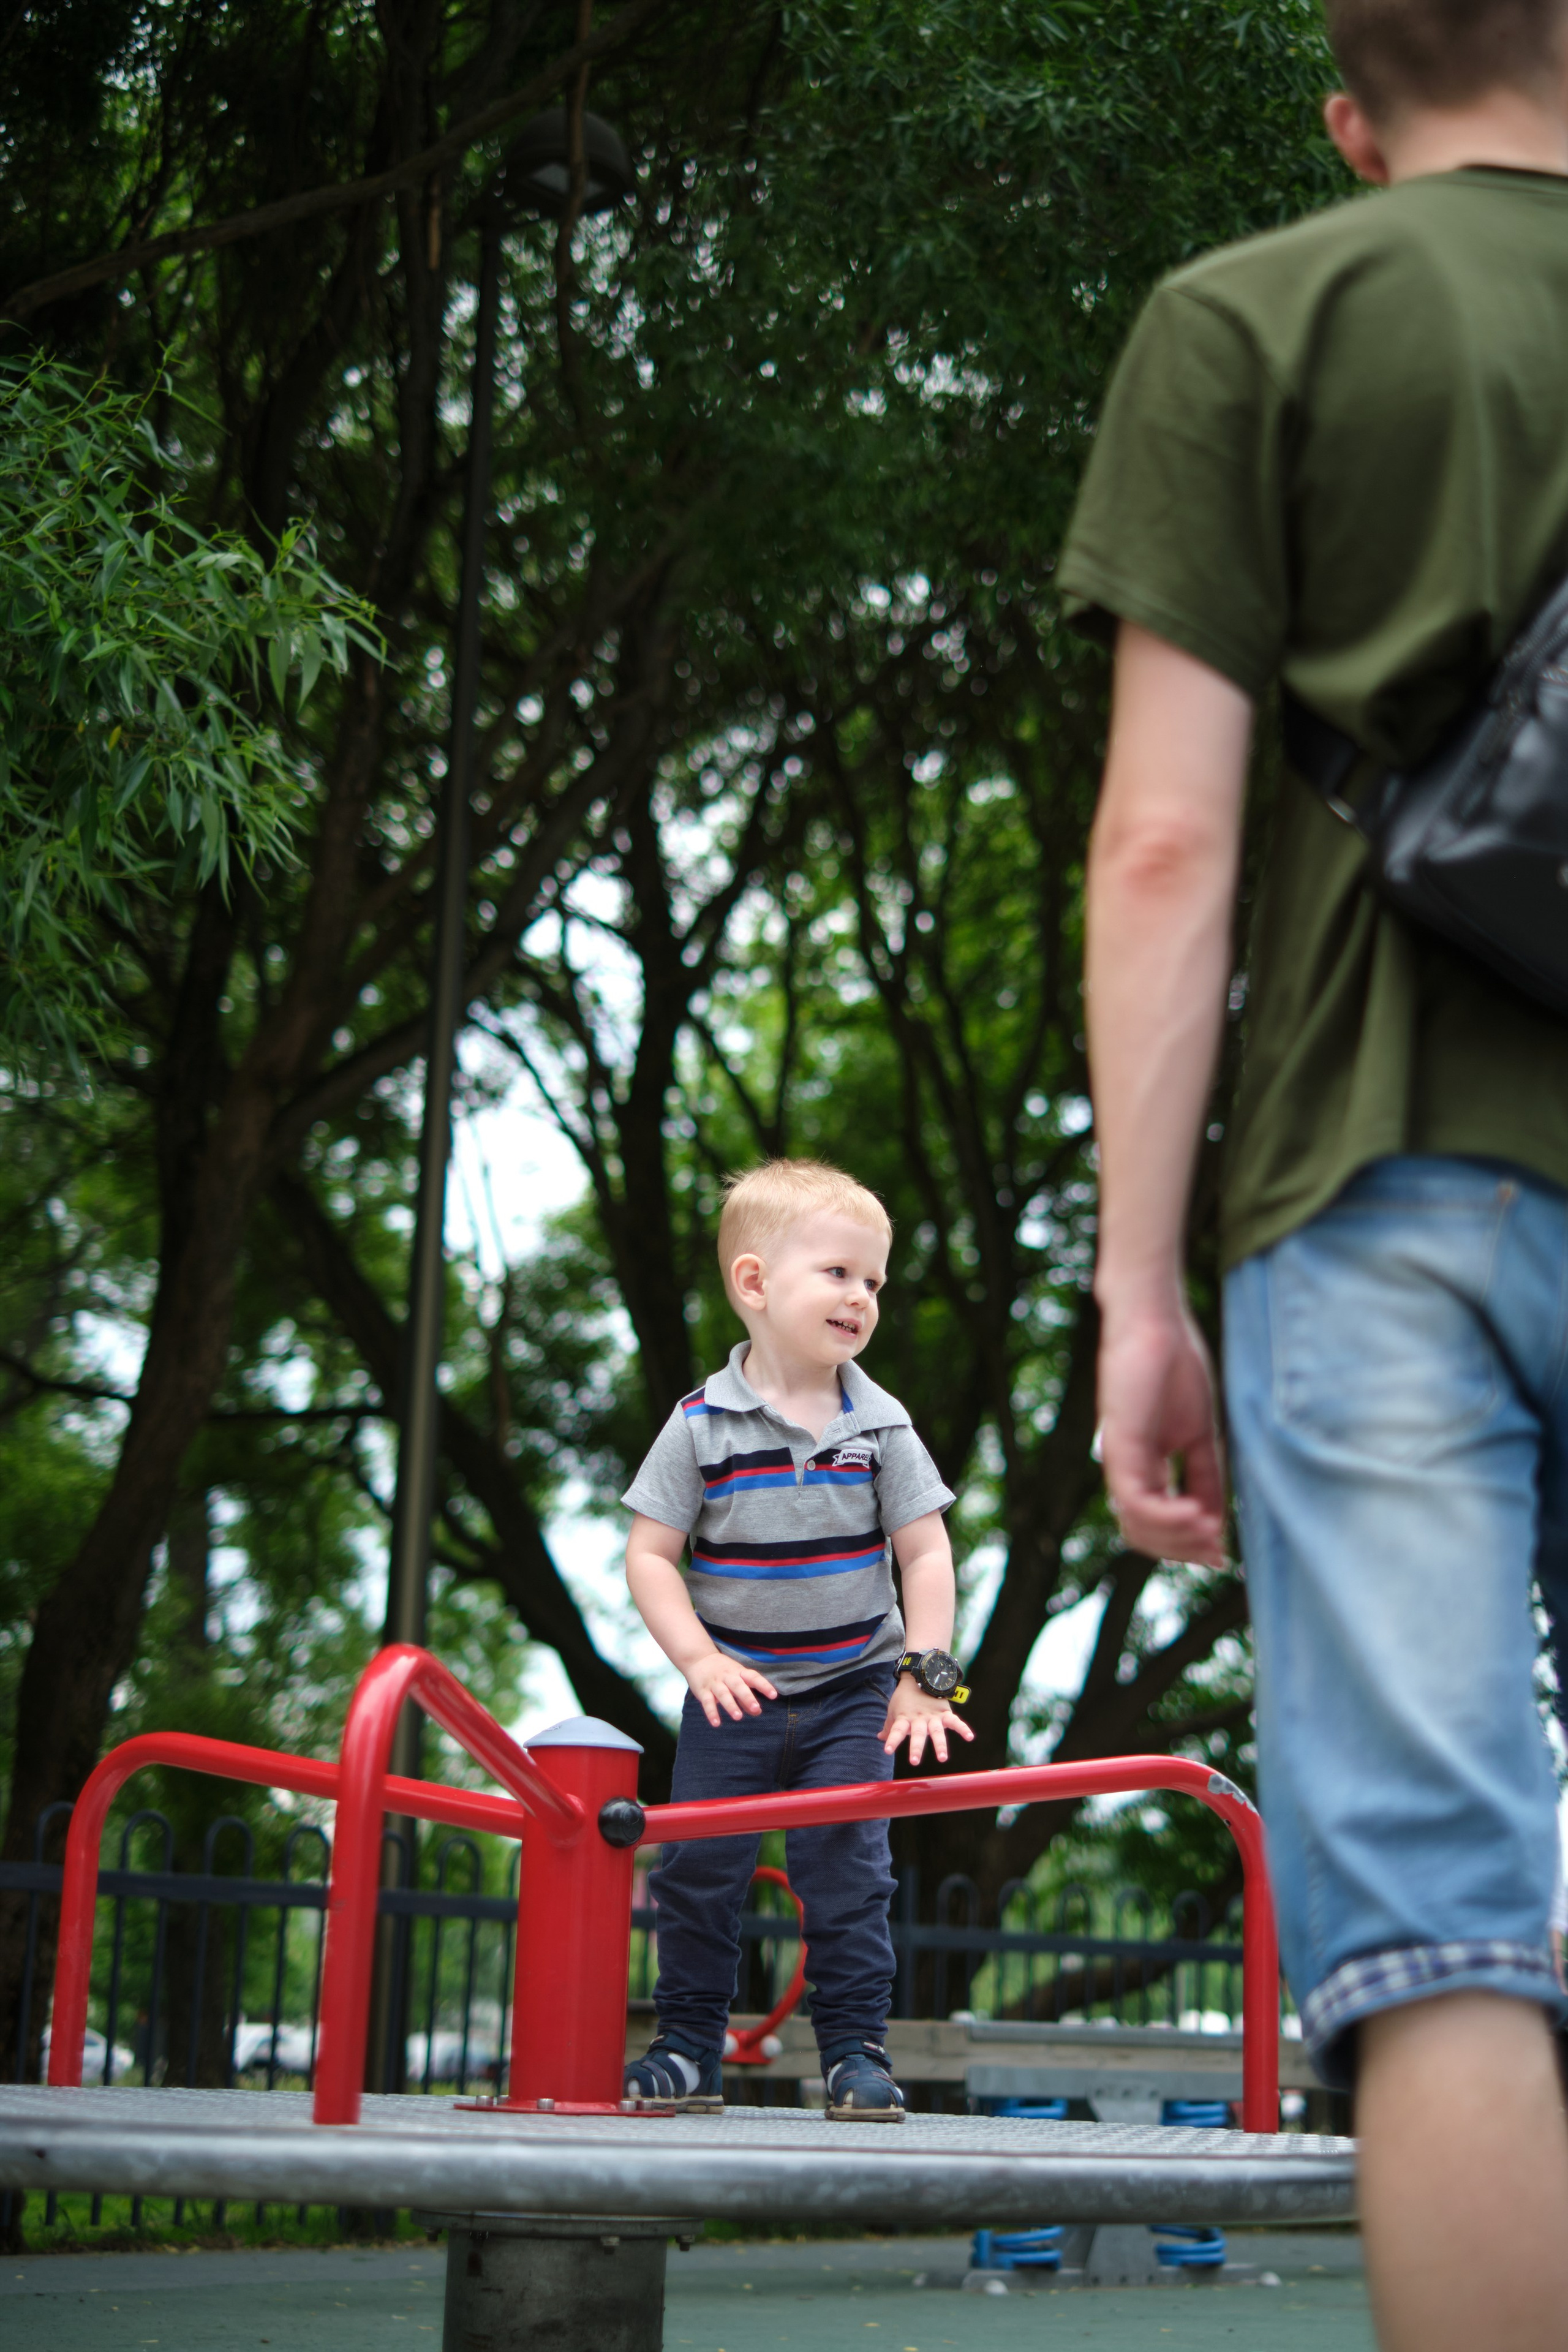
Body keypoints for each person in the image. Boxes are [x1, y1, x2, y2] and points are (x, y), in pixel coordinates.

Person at [1059, 3, 1568, 2346]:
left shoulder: (1254, 319)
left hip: (1374, 1193)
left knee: (1451, 1922)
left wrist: (1138, 1291)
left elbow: (1169, 841)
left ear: (1352, 118)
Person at [619, 1158, 972, 2118]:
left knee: (848, 1870)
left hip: (857, 1684)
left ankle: (855, 2052)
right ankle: (689, 2047)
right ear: (755, 1283)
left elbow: (928, 1557)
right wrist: (698, 1661)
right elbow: (650, 1555)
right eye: (838, 1273)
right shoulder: (698, 1427)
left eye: (874, 1282)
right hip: (735, 1688)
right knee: (696, 1870)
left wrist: (925, 1679)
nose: (861, 1297)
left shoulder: (882, 1426)